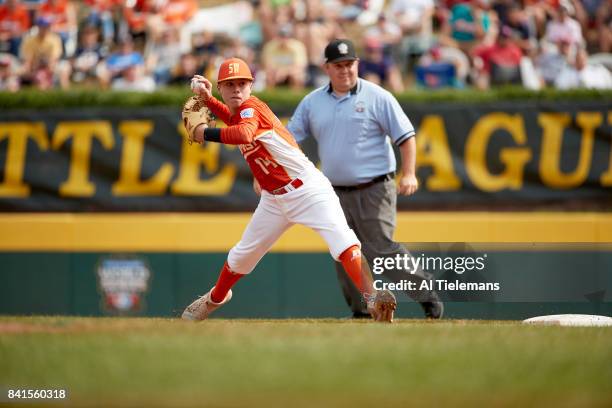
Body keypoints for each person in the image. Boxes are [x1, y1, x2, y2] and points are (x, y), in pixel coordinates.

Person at [181, 57, 394, 322]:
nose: (236, 89)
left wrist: (204, 133)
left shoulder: (252, 107)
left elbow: (244, 133)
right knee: (241, 256)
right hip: (274, 199)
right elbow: (233, 119)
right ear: (221, 88)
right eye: (230, 84)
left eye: (242, 83)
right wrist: (210, 100)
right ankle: (214, 299)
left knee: (343, 241)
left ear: (250, 86)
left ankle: (373, 300)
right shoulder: (239, 112)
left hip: (308, 190)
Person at [287, 39, 443, 319]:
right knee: (343, 249)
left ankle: (426, 294)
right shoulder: (312, 102)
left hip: (375, 186)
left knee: (381, 249)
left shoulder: (377, 96)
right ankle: (362, 309)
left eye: (350, 64)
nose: (345, 70)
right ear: (327, 68)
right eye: (338, 65)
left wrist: (408, 173)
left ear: (357, 64)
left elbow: (406, 137)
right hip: (333, 191)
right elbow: (289, 138)